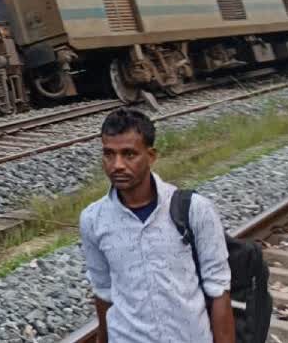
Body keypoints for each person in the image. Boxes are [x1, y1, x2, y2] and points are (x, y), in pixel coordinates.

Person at [78, 107, 235, 343]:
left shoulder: (194, 209)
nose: (116, 165)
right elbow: (103, 293)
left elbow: (219, 289)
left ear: (151, 156)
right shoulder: (93, 219)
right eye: (109, 154)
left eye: (129, 154)